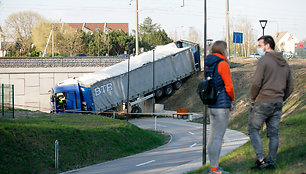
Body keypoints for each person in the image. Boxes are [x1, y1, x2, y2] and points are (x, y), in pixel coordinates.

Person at [248, 35, 294, 170]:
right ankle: (271, 163)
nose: (258, 48)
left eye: (260, 45)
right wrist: (282, 97)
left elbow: (256, 83)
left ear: (267, 45)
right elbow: (290, 86)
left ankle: (261, 160)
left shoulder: (264, 61)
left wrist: (252, 98)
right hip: (277, 103)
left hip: (263, 101)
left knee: (253, 130)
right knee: (274, 134)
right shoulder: (285, 63)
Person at [204, 41, 235, 174]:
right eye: (226, 49)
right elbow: (229, 86)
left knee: (212, 137)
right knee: (218, 138)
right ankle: (215, 169)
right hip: (222, 105)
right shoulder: (222, 64)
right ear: (223, 50)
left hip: (212, 105)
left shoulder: (208, 64)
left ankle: (213, 167)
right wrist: (232, 99)